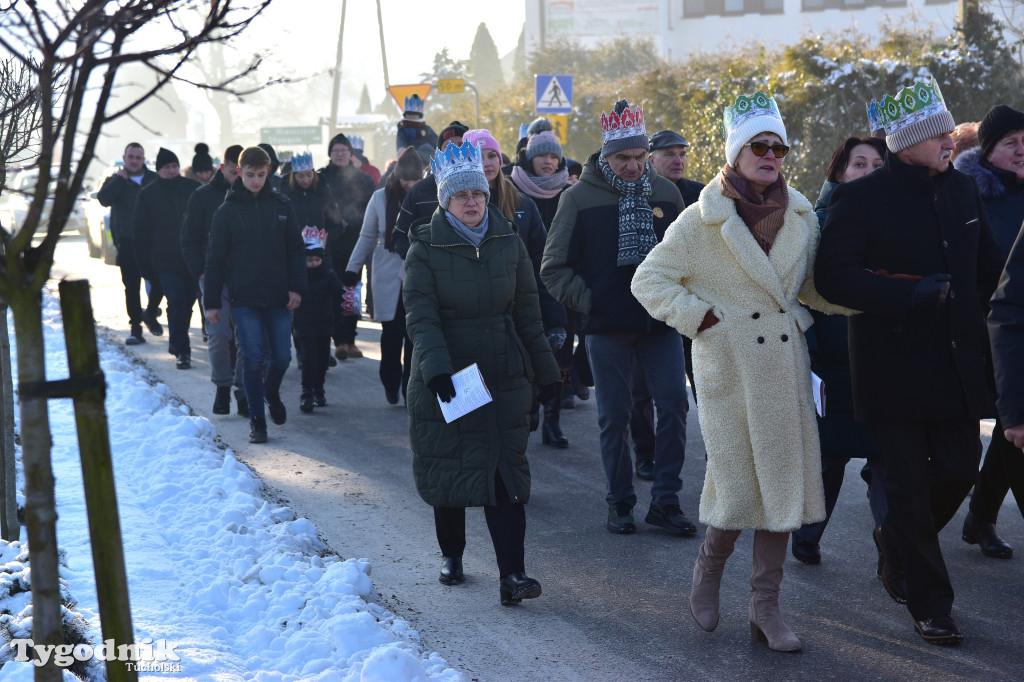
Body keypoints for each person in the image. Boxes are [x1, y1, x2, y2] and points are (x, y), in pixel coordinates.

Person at [632, 91, 853, 652]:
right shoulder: (700, 220)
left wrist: (873, 296)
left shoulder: (802, 214)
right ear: (736, 152)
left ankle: (766, 607)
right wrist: (703, 319)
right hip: (729, 370)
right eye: (759, 145)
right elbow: (648, 280)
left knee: (779, 490)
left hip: (783, 367)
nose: (771, 154)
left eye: (778, 146)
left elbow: (810, 288)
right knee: (736, 482)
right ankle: (708, 570)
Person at [815, 79, 1004, 646]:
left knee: (957, 469)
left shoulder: (963, 191)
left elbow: (989, 269)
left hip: (956, 364)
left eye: (950, 131)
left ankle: (895, 542)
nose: (951, 140)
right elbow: (833, 278)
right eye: (939, 133)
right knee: (908, 483)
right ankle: (932, 603)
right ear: (908, 142)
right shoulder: (861, 197)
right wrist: (907, 294)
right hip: (890, 367)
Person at [403, 139, 559, 605]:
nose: (471, 202)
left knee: (504, 475)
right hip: (449, 375)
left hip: (503, 372)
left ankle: (513, 574)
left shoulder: (507, 240)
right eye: (461, 195)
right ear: (445, 200)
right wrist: (435, 370)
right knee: (452, 467)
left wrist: (547, 372)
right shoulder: (425, 248)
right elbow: (421, 317)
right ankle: (452, 553)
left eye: (478, 194)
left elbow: (528, 313)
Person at [541, 99, 692, 537]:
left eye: (639, 157)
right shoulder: (577, 198)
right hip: (607, 328)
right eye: (623, 157)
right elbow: (553, 268)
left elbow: (684, 260)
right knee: (614, 416)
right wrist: (593, 302)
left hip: (659, 325)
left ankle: (665, 499)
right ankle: (620, 501)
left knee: (675, 406)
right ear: (606, 156)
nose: (632, 165)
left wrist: (678, 300)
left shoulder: (666, 193)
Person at [791, 135, 889, 567]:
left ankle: (895, 542)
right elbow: (794, 295)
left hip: (886, 360)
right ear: (839, 172)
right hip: (832, 360)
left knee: (888, 458)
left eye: (876, 165)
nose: (868, 173)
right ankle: (807, 534)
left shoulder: (899, 224)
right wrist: (810, 356)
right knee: (829, 459)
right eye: (859, 164)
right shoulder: (814, 226)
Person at [464, 128, 566, 446]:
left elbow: (543, 267)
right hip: (471, 321)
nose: (487, 163)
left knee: (519, 406)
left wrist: (556, 320)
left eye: (492, 155)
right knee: (476, 410)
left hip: (519, 319)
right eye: (478, 156)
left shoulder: (523, 205)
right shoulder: (454, 206)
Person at [954, 104, 1024, 559]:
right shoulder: (972, 195)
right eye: (1010, 143)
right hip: (992, 328)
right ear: (988, 151)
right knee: (1010, 424)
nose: (1022, 151)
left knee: (1009, 426)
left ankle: (980, 516)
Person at [204, 146, 307, 444]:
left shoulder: (282, 205)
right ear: (239, 172)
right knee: (252, 357)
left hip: (278, 296)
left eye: (262, 175)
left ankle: (271, 391)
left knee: (282, 357)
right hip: (245, 297)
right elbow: (215, 258)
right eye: (250, 175)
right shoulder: (227, 210)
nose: (256, 181)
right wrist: (212, 302)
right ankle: (257, 422)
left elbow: (295, 251)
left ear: (269, 172)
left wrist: (296, 287)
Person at [508, 125, 575, 447]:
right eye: (541, 156)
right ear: (528, 159)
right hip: (525, 284)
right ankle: (529, 407)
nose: (547, 162)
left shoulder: (570, 192)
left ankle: (554, 420)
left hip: (562, 285)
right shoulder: (512, 192)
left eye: (553, 156)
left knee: (560, 355)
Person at [345, 147, 425, 404]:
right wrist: (352, 268)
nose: (410, 184)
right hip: (388, 271)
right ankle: (390, 381)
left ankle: (410, 387)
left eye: (415, 180)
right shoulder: (380, 197)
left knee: (415, 334)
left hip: (419, 271)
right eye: (405, 179)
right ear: (396, 174)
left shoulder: (428, 196)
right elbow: (367, 236)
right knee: (391, 334)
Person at [182, 144, 244, 414]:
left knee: (247, 338)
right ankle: (222, 386)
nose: (240, 177)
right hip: (213, 276)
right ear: (223, 168)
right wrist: (201, 270)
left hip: (247, 276)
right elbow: (189, 237)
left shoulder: (257, 197)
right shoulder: (203, 196)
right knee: (218, 334)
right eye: (234, 172)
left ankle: (243, 391)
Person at [131, 147, 201, 369]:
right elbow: (139, 232)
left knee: (188, 303)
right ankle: (183, 350)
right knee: (177, 301)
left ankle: (176, 341)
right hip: (163, 259)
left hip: (190, 258)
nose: (171, 171)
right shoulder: (148, 194)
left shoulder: (192, 189)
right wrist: (144, 266)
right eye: (166, 167)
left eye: (174, 166)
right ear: (158, 170)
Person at [96, 142, 162, 345]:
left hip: (153, 243)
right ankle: (136, 328)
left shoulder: (153, 179)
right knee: (131, 287)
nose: (134, 161)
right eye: (131, 157)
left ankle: (150, 313)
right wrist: (119, 179)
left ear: (144, 159)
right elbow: (103, 199)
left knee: (160, 281)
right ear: (124, 158)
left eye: (138, 157)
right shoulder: (115, 180)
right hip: (126, 241)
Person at [319, 133, 376, 360]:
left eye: (344, 151)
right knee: (335, 291)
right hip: (330, 245)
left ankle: (350, 339)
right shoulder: (321, 178)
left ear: (351, 154)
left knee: (352, 292)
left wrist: (351, 223)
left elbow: (369, 211)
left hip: (355, 242)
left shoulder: (363, 180)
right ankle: (339, 340)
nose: (340, 154)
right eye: (336, 151)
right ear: (330, 154)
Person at [391, 121, 470, 259]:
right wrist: (421, 261)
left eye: (461, 145)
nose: (456, 151)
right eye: (448, 146)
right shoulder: (419, 191)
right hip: (430, 277)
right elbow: (399, 236)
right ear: (439, 152)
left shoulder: (481, 189)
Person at [294, 227, 344, 412]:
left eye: (316, 260)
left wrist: (347, 297)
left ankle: (319, 389)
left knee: (322, 359)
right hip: (304, 324)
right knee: (309, 360)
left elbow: (339, 293)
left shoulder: (329, 275)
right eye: (309, 260)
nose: (313, 263)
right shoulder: (298, 277)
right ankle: (306, 392)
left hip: (323, 324)